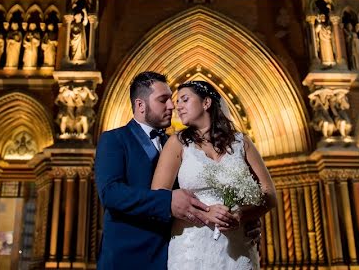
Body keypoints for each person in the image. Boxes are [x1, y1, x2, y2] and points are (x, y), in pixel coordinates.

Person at [95, 72, 217, 270]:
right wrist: (166, 201)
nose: (172, 106)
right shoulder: (114, 139)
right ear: (140, 105)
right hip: (126, 258)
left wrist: (237, 220)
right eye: (163, 100)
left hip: (173, 255)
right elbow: (111, 193)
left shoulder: (179, 144)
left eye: (171, 99)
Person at [151, 80, 276, 269]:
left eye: (184, 100)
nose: (178, 107)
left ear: (206, 103)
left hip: (237, 247)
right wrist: (206, 214)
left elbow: (269, 194)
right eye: (177, 102)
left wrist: (242, 214)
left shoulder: (242, 143)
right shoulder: (177, 144)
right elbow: (158, 196)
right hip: (191, 248)